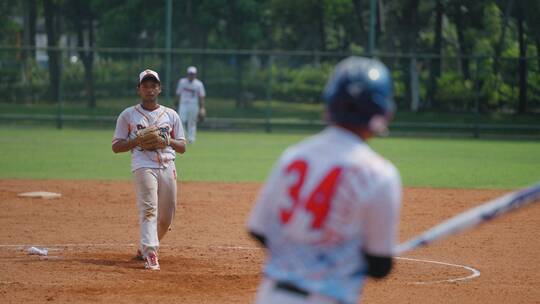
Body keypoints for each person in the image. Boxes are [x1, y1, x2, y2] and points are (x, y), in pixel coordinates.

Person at [247, 56, 402, 304]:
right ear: (382, 112)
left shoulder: (294, 156)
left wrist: (301, 258)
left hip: (272, 296)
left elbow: (258, 230)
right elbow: (380, 266)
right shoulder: (380, 174)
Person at [112, 69, 186, 271]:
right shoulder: (128, 115)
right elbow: (116, 146)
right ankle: (151, 252)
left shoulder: (170, 114)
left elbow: (182, 147)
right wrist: (136, 140)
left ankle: (145, 246)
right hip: (143, 165)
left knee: (166, 217)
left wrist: (167, 140)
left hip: (167, 165)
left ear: (159, 89)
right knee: (149, 209)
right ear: (139, 89)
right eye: (145, 85)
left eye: (153, 85)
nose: (150, 89)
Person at [176, 66, 206, 144]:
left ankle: (191, 138)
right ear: (187, 74)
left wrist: (202, 108)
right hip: (183, 104)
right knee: (181, 120)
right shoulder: (182, 82)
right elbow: (178, 94)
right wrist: (176, 104)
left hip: (193, 105)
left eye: (193, 74)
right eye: (190, 74)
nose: (192, 75)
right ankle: (183, 136)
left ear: (195, 75)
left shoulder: (199, 84)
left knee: (192, 122)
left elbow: (201, 96)